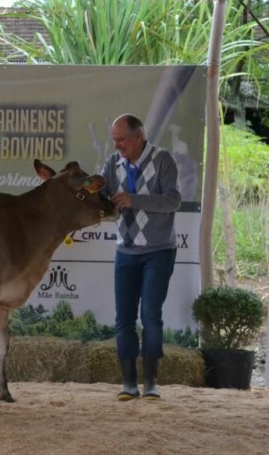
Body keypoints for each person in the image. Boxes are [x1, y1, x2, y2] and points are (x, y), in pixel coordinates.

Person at [101, 114, 181, 401]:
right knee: (123, 319)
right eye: (114, 140)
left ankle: (151, 383)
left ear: (139, 136)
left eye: (121, 139)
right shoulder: (113, 163)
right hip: (125, 250)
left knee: (150, 315)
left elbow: (173, 200)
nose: (117, 145)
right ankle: (128, 384)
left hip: (159, 250)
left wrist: (134, 200)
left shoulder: (163, 160)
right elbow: (104, 195)